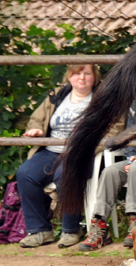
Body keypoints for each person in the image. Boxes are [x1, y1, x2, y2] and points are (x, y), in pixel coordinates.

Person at [16, 64, 123, 248]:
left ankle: (71, 230)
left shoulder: (103, 97)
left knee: (64, 174)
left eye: (87, 73)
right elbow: (36, 118)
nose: (82, 78)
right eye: (77, 73)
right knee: (25, 174)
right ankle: (40, 230)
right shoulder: (57, 95)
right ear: (69, 76)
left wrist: (89, 145)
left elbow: (116, 126)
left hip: (83, 152)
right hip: (51, 149)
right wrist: (36, 129)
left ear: (95, 77)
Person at [79, 100, 136, 251]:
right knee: (110, 172)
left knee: (135, 169)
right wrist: (132, 156)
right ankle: (100, 228)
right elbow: (129, 134)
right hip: (135, 158)